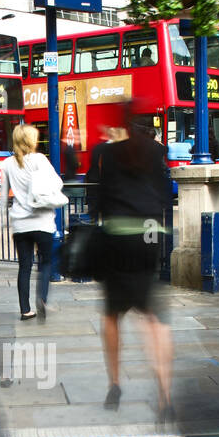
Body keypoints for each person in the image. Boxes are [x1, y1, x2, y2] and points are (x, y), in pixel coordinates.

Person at [89, 101, 174, 413]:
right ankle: (164, 391)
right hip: (150, 234)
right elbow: (165, 195)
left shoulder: (107, 154)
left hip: (117, 236)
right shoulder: (156, 151)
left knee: (112, 315)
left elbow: (97, 199)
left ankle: (114, 385)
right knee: (153, 317)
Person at [0, 123, 62, 321]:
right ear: (31, 140)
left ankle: (25, 310)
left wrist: (2, 222)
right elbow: (57, 183)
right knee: (46, 262)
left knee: (24, 266)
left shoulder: (7, 164)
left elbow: (2, 196)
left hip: (20, 224)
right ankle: (41, 298)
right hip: (42, 221)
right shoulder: (39, 159)